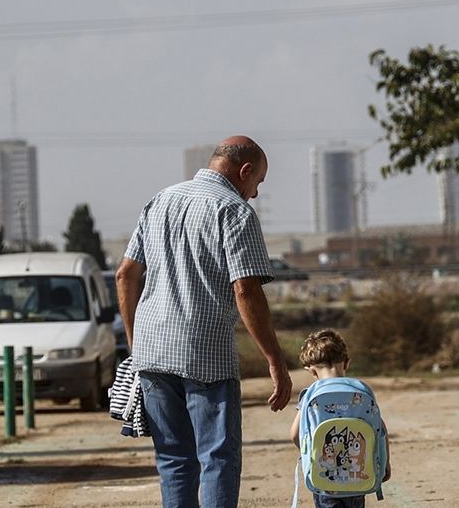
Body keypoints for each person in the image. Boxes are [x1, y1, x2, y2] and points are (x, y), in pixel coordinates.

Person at [115, 135, 293, 508]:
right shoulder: (234, 211)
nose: (255, 194)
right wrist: (275, 359)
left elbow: (125, 274)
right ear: (244, 171)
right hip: (205, 354)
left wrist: (136, 343)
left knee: (173, 460)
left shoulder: (160, 199)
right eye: (258, 182)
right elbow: (245, 290)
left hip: (152, 354)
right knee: (218, 459)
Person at [290, 330, 392, 508]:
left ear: (312, 371)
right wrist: (385, 463)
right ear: (347, 362)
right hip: (358, 476)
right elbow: (380, 431)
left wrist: (313, 454)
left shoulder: (310, 394)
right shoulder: (362, 390)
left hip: (324, 479)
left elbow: (294, 434)